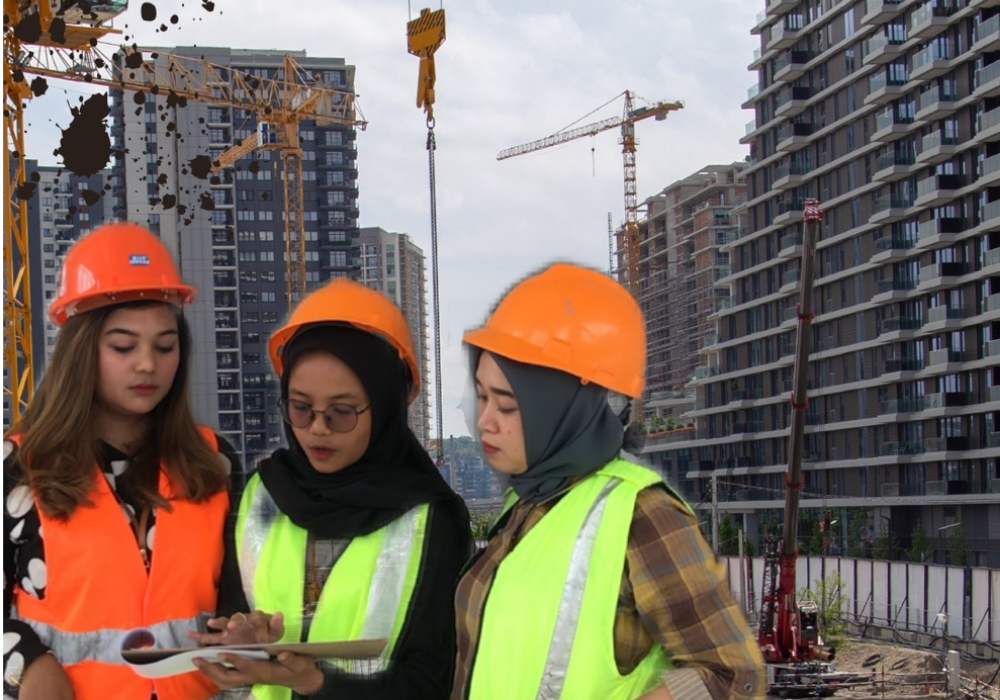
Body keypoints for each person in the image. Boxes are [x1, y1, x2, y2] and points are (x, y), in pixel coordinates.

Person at [453, 262, 765, 700]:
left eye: (506, 405)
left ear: (562, 409)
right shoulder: (526, 506)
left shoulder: (641, 513)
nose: (485, 420)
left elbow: (731, 675)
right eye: (483, 396)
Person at [191, 278, 473, 700]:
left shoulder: (431, 520)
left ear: (385, 406)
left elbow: (433, 680)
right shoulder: (260, 495)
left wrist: (315, 683)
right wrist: (239, 638)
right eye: (301, 408)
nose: (317, 428)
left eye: (341, 412)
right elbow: (232, 610)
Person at [3, 222, 243, 700]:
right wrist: (27, 665)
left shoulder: (213, 461)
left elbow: (237, 599)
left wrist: (245, 629)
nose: (147, 364)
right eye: (123, 346)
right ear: (81, 350)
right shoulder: (19, 466)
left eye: (165, 345)